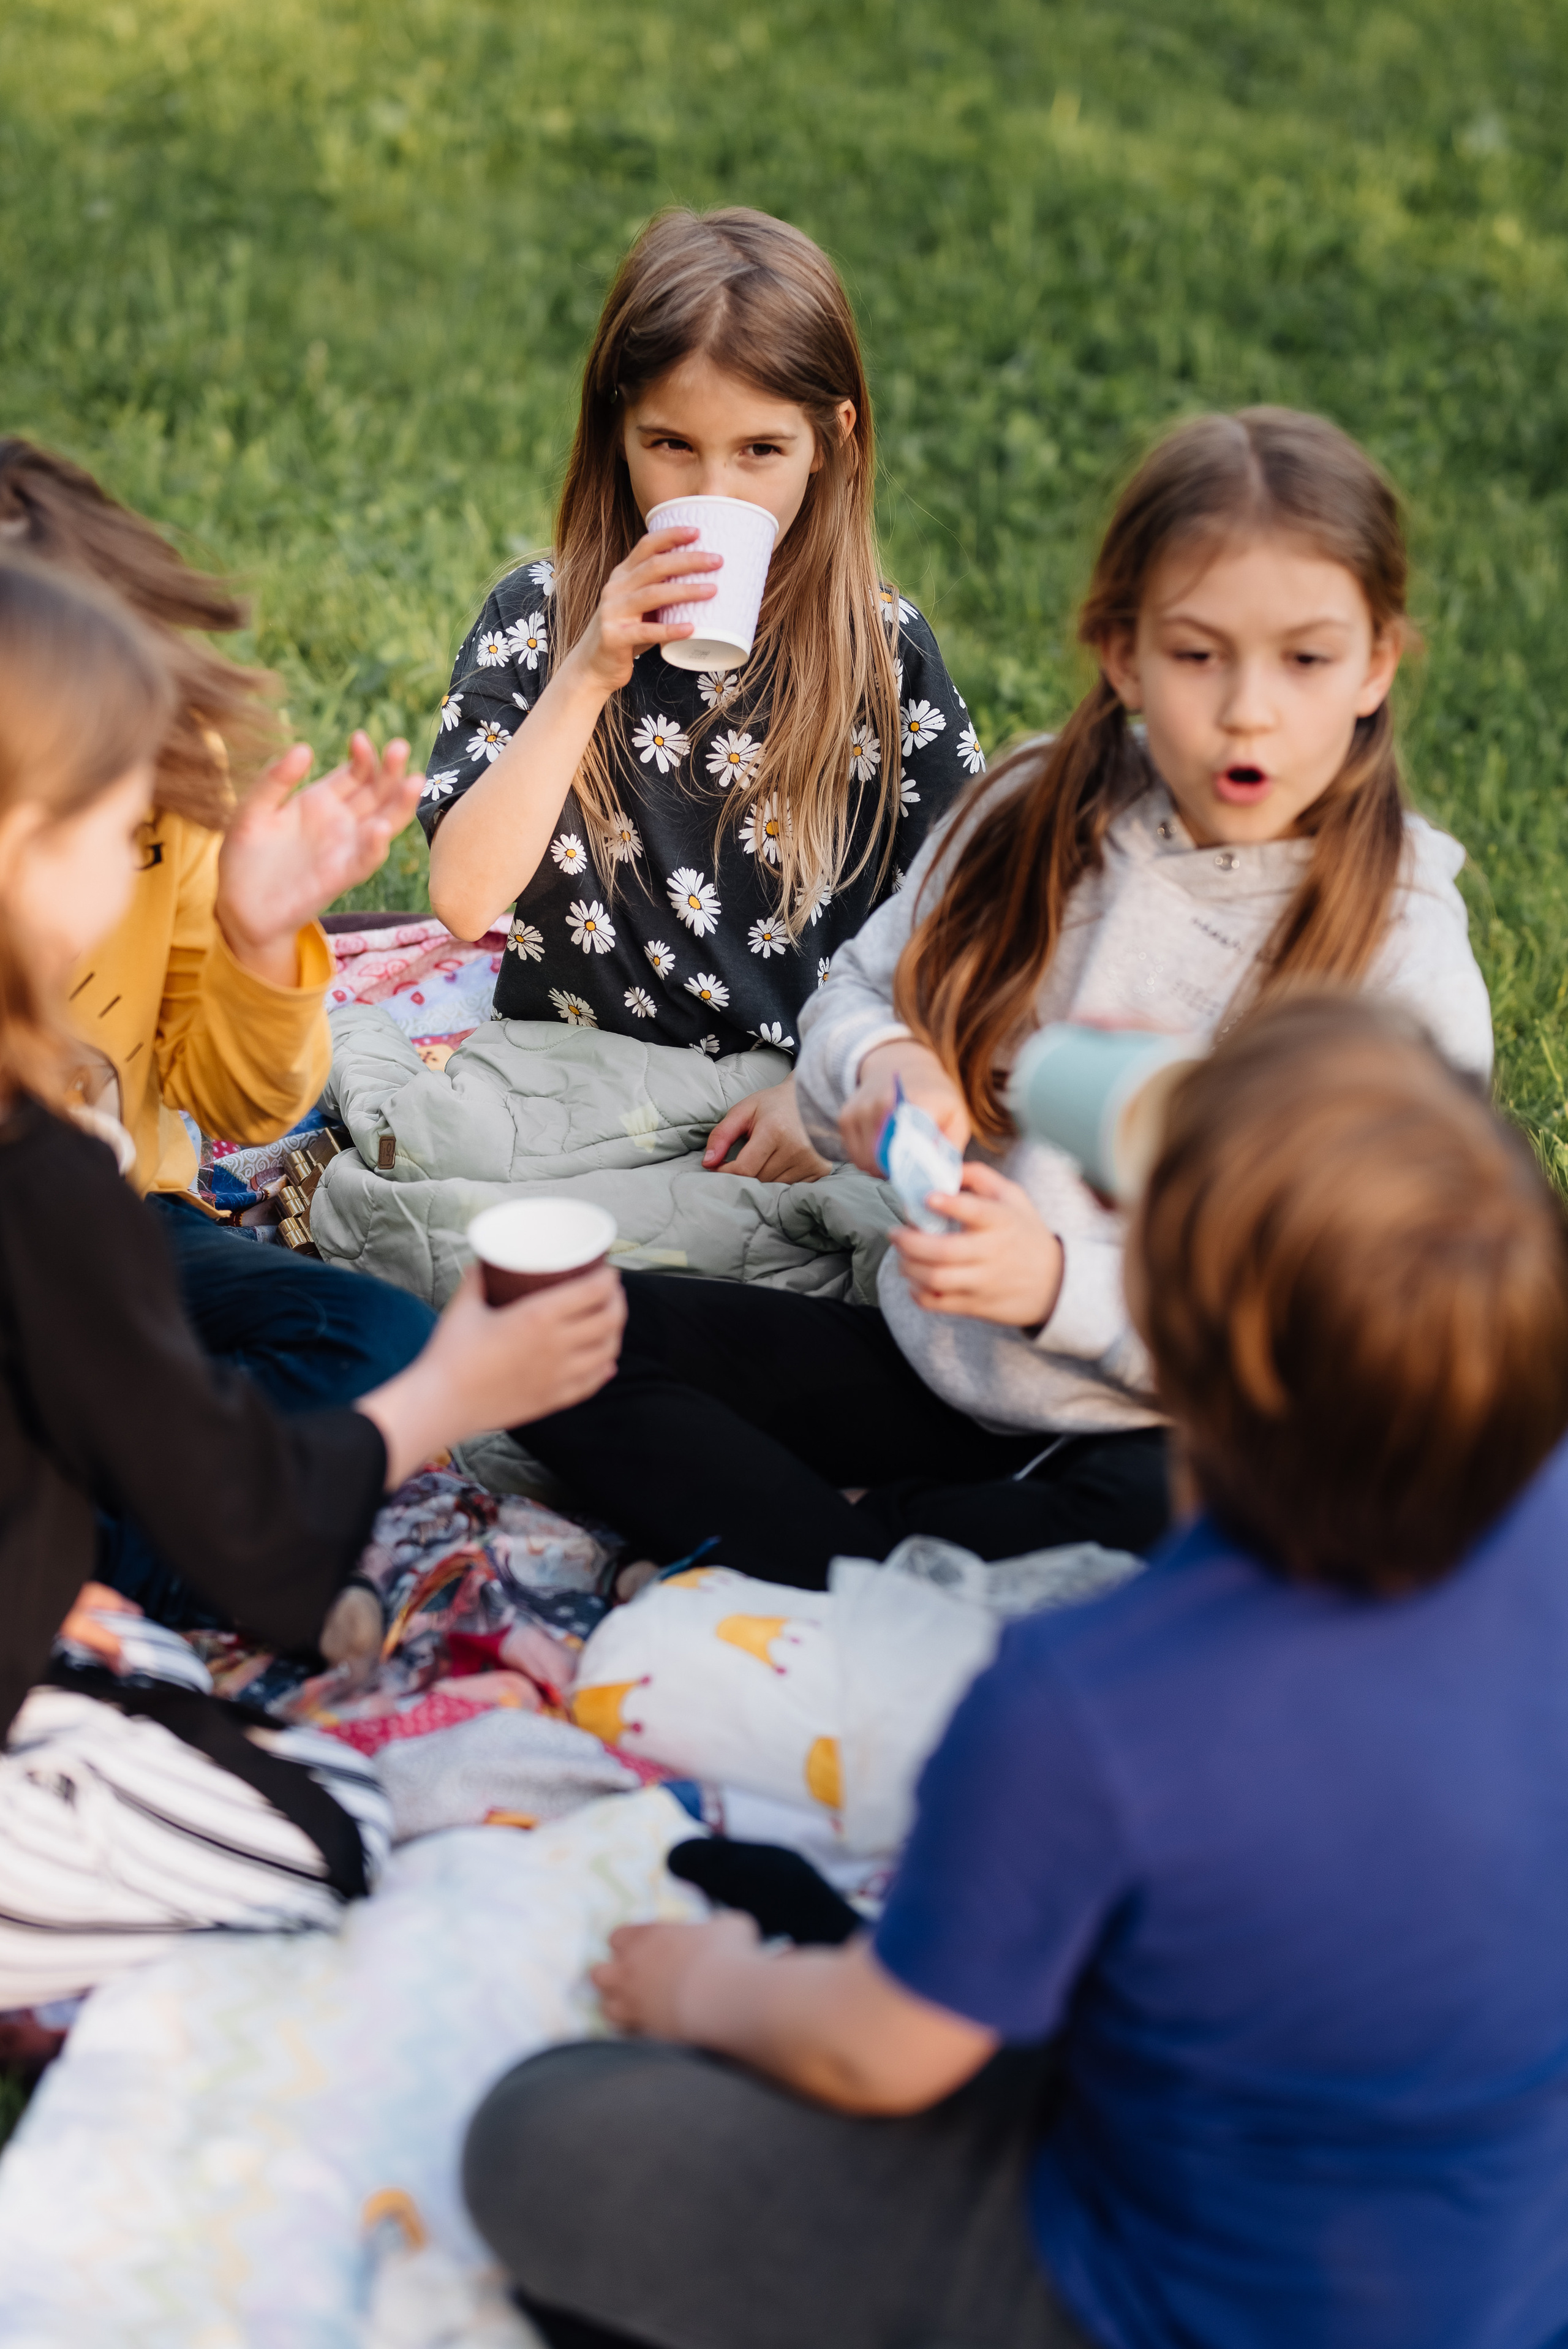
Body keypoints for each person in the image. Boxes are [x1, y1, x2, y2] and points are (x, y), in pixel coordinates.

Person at [464, 991, 1568, 2349]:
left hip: (1172, 2294)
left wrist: (711, 1988)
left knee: (546, 2143)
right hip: (1498, 2267)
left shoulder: (1093, 1699)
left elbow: (878, 2056)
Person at [514, 407, 1493, 1586]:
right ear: (1122, 651)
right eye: (1197, 654)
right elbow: (856, 997)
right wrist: (878, 1070)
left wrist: (1061, 1287)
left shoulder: (1398, 950)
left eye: (1306, 659)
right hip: (946, 1365)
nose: (1248, 709)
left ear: (1377, 663)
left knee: (1209, 1534)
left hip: (1180, 1427)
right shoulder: (1032, 814)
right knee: (546, 1339)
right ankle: (897, 1565)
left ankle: (850, 1561)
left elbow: (1361, 1334)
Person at [0, 556, 625, 2005]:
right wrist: (453, 1394)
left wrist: (252, 937)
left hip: (109, 1367)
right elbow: (257, 1545)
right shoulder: (44, 1172)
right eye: (115, 832)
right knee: (331, 1829)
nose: (136, 862)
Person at [421, 206, 978, 1186]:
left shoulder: (880, 658)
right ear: (616, 432)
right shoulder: (540, 615)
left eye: (760, 451)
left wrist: (833, 1101)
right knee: (428, 1156)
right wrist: (588, 669)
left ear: (831, 441)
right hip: (570, 1080)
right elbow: (465, 900)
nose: (714, 485)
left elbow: (970, 927)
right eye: (670, 444)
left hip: (784, 1098)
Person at [0, 439, 440, 1617]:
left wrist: (255, 940)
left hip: (120, 1214)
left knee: (380, 1340)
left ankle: (101, 1524)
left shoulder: (160, 778)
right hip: (44, 1216)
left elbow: (244, 1108)